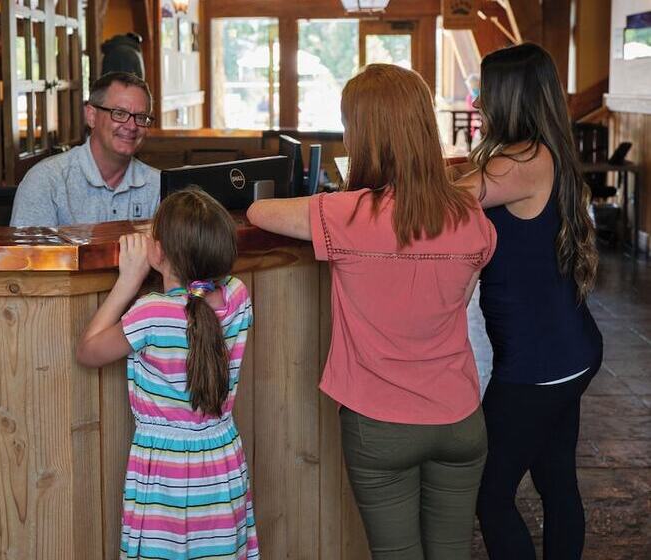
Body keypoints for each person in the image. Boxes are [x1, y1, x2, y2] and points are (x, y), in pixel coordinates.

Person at [247, 64, 496, 559]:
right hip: (461, 418)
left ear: (363, 135)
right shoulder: (471, 216)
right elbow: (461, 299)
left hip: (379, 425)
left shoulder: (347, 213)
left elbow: (257, 212)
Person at [453, 43, 603, 560]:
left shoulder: (522, 161)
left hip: (538, 365)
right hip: (567, 349)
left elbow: (447, 199)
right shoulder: (542, 151)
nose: (478, 103)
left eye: (485, 92)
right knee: (557, 481)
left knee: (489, 495)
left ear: (509, 97)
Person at [76, 188, 259, 559]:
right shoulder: (237, 296)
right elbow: (206, 292)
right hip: (222, 460)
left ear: (157, 252)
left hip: (166, 472)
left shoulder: (152, 313)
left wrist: (128, 280)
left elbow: (88, 351)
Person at [10, 71, 159, 226]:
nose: (132, 126)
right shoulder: (46, 181)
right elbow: (28, 251)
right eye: (119, 114)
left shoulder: (159, 185)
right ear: (91, 116)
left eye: (141, 118)